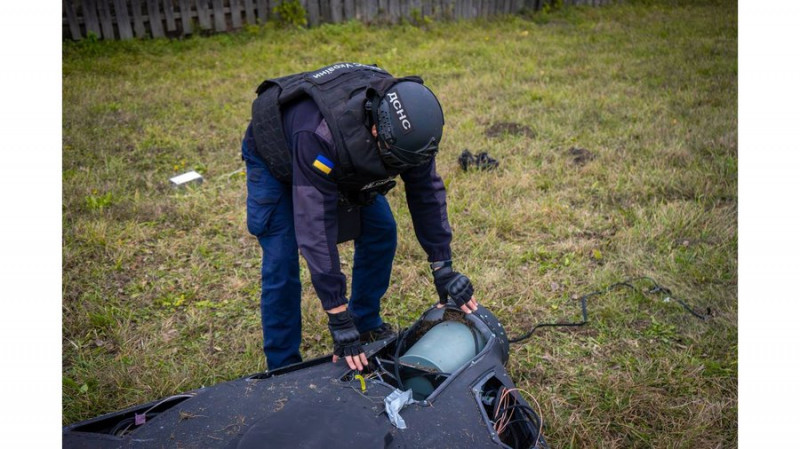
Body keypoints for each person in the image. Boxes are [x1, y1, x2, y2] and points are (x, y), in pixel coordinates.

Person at [242, 62, 478, 372]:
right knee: (282, 258)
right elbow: (315, 229)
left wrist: (442, 265)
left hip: (337, 161)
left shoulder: (411, 136)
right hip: (278, 157)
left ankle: (365, 323)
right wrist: (337, 315)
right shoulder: (321, 135)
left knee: (381, 231)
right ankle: (282, 366)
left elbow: (426, 194)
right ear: (377, 130)